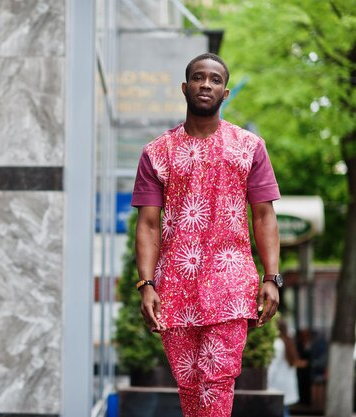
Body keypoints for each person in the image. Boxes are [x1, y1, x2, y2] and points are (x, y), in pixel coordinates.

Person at [131, 53, 281, 417]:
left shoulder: (249, 147)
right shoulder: (157, 153)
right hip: (174, 289)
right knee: (190, 387)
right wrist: (146, 283)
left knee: (217, 382)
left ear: (225, 92)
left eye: (214, 80)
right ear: (185, 87)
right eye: (199, 78)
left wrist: (272, 278)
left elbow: (264, 216)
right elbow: (149, 224)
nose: (206, 85)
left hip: (231, 286)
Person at [268, 319, 307, 417]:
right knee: (284, 410)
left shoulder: (277, 344)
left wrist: (266, 383)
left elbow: (273, 367)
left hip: (277, 385)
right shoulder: (288, 341)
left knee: (280, 411)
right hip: (286, 385)